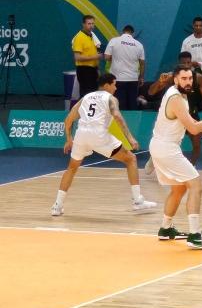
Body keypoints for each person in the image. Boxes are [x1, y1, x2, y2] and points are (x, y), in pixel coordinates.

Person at [149, 65, 202, 249]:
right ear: (175, 79)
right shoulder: (175, 98)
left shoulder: (179, 94)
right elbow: (193, 129)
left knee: (178, 189)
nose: (188, 82)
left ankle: (165, 228)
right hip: (166, 148)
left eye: (190, 78)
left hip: (162, 146)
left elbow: (187, 120)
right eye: (184, 79)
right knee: (196, 185)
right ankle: (195, 235)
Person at [51, 73, 156, 216]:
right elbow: (117, 117)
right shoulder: (110, 98)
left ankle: (57, 206)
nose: (116, 87)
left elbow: (68, 120)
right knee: (131, 159)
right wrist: (130, 138)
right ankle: (138, 201)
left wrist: (69, 139)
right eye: (114, 84)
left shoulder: (85, 98)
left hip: (81, 134)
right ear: (107, 85)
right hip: (99, 134)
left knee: (71, 168)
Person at [144, 51, 202, 166]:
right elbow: (151, 92)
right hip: (174, 116)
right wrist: (159, 82)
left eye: (188, 62)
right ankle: (155, 158)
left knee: (197, 144)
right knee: (166, 143)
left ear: (191, 63)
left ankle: (191, 166)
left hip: (192, 114)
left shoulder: (198, 78)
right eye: (183, 63)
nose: (186, 65)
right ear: (179, 64)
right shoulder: (171, 77)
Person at [104, 25, 145, 110]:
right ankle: (133, 123)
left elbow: (107, 57)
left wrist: (116, 57)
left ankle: (120, 123)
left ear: (122, 32)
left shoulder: (114, 41)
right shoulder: (139, 45)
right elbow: (142, 63)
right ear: (132, 33)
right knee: (132, 105)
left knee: (119, 105)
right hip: (133, 79)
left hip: (117, 79)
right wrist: (141, 77)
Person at [72, 15, 104, 98]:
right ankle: (82, 110)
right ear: (83, 24)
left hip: (93, 69)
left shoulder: (92, 36)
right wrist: (95, 57)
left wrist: (97, 69)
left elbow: (92, 54)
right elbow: (77, 57)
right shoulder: (79, 37)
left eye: (93, 24)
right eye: (89, 24)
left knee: (93, 94)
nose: (91, 26)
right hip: (84, 70)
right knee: (86, 94)